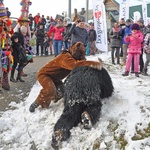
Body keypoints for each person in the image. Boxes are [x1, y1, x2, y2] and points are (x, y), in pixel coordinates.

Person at [29, 42, 103, 112]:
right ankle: (36, 103)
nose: (82, 58)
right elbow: (75, 65)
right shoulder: (65, 57)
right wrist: (93, 64)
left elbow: (78, 65)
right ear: (76, 53)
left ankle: (51, 99)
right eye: (80, 55)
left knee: (62, 92)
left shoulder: (72, 58)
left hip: (55, 77)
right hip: (45, 75)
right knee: (50, 90)